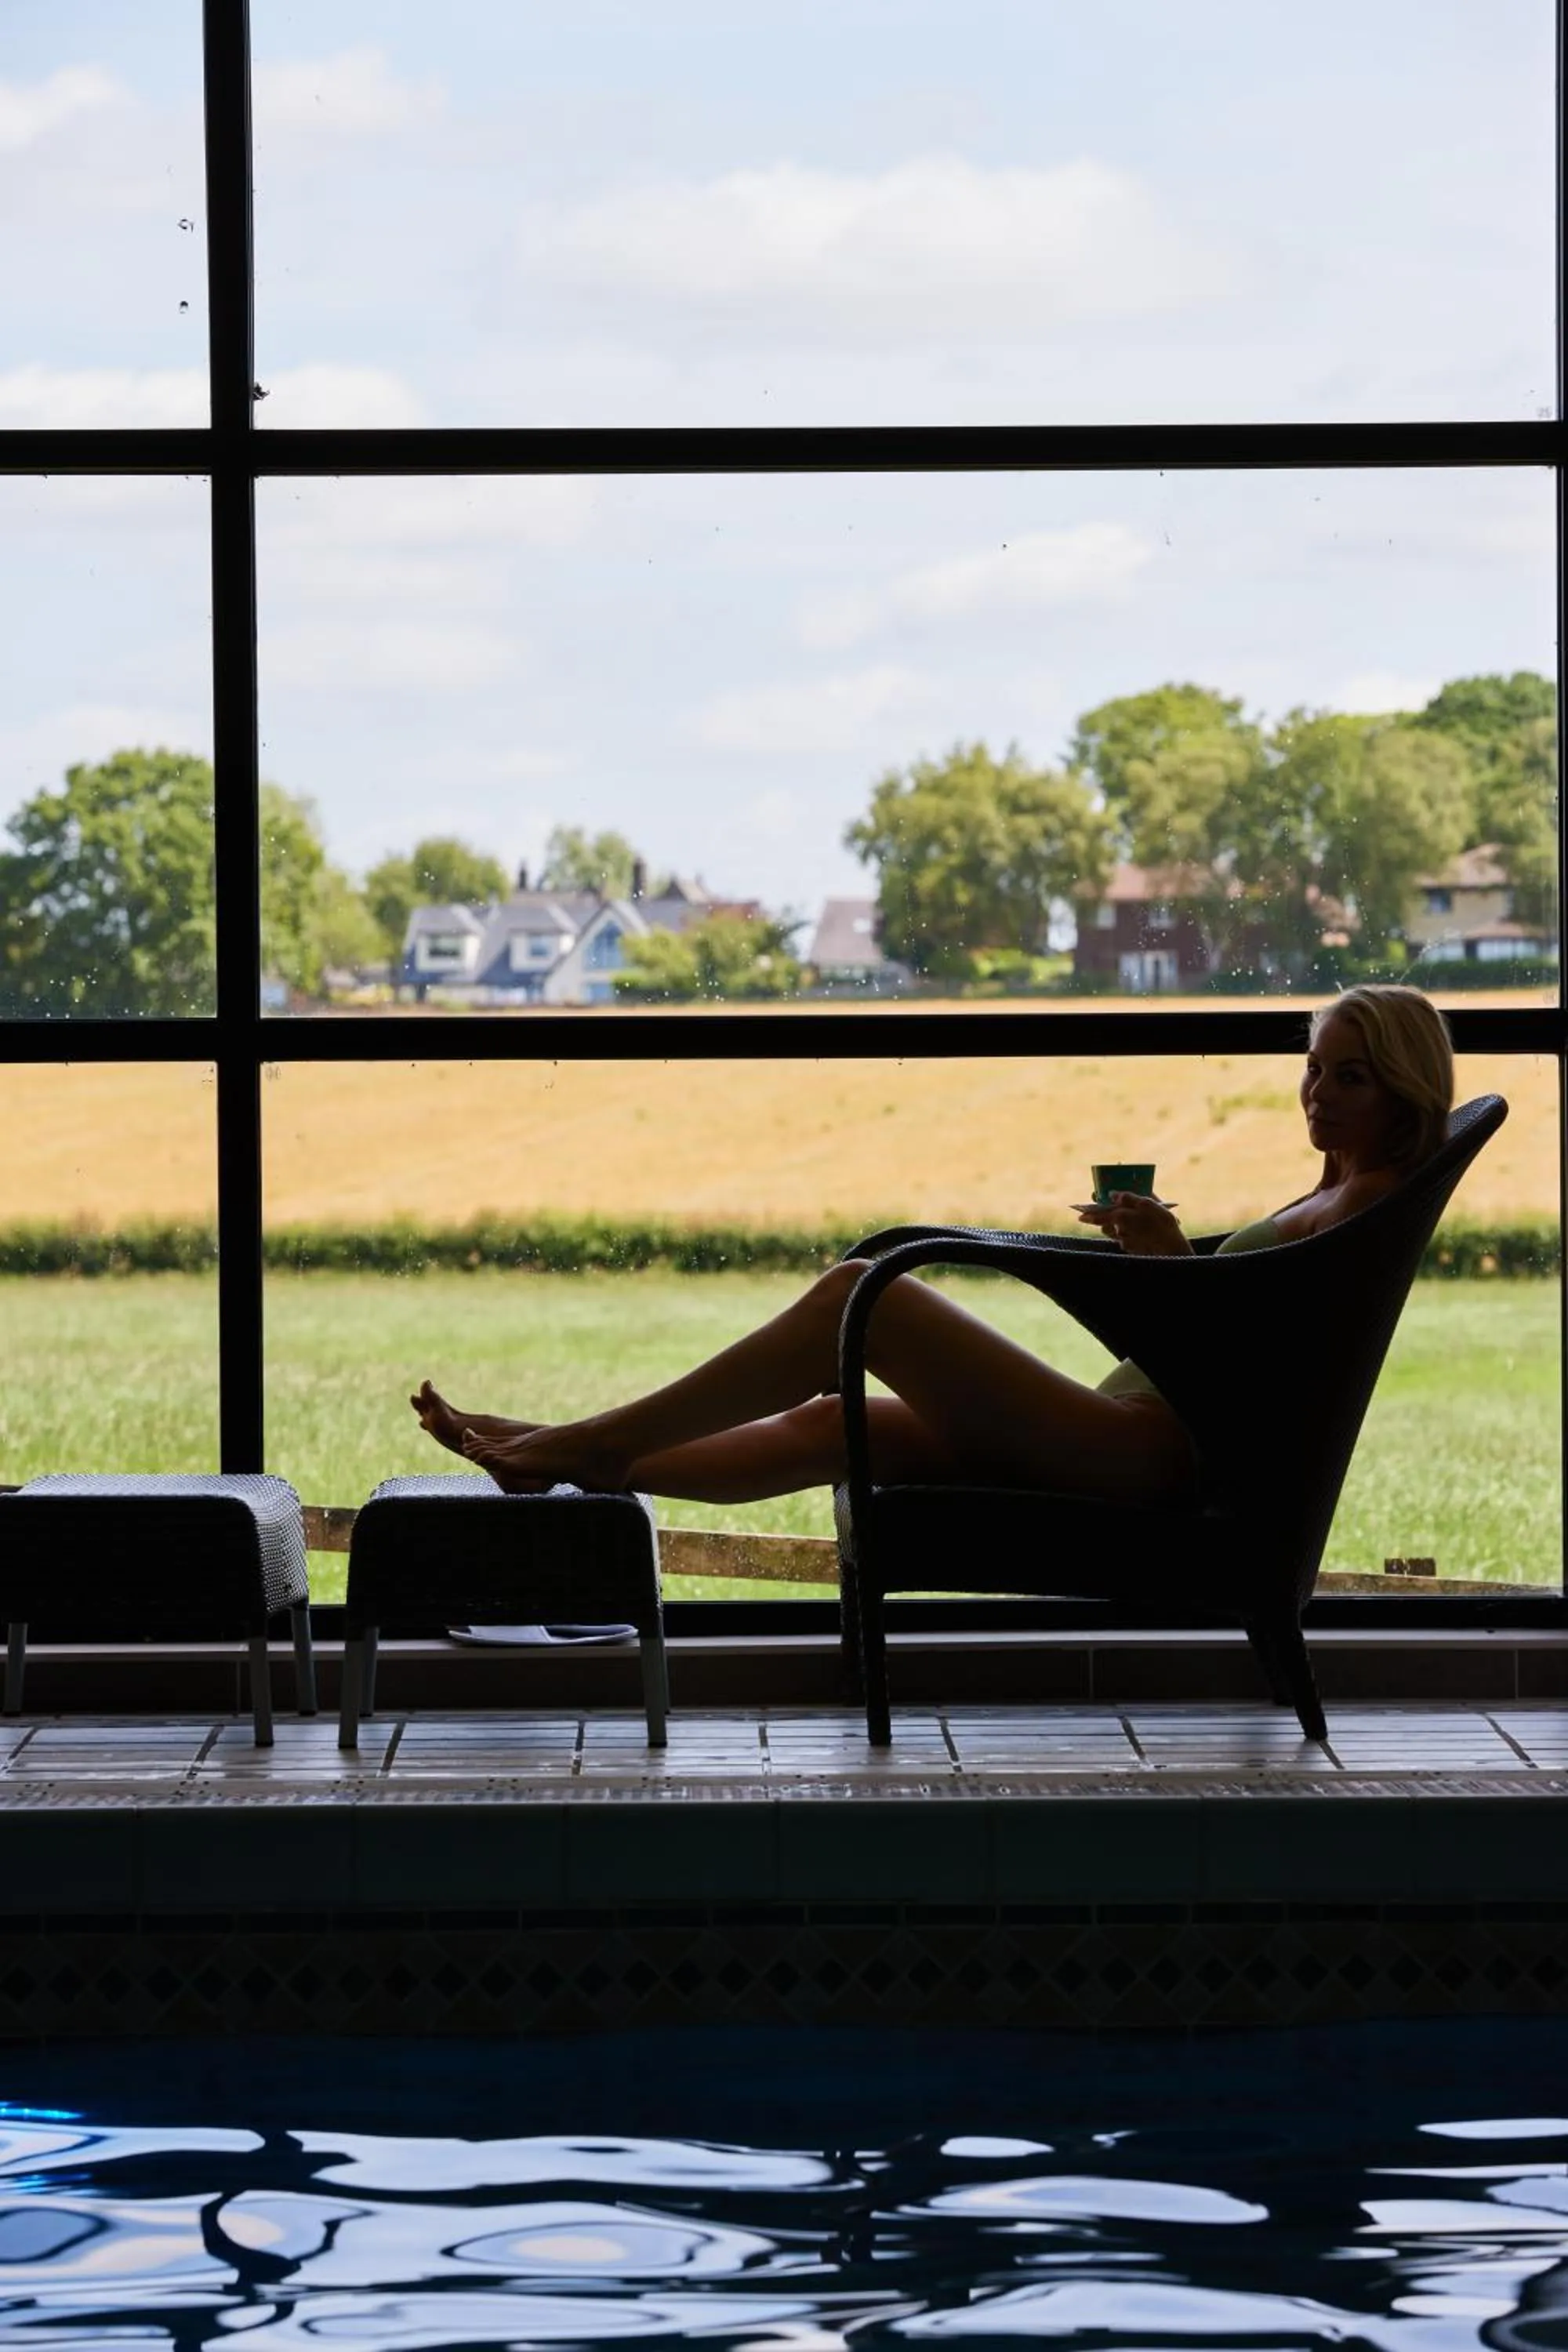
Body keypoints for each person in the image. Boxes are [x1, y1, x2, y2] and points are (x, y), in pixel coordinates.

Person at [410, 983, 1454, 1507]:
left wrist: (1173, 1269)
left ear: (1402, 1086)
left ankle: (582, 1445)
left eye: (1348, 1076)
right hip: (1124, 1428)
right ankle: (569, 1457)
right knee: (833, 1423)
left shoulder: (1364, 1206)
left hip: (1147, 1456)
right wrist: (1161, 1261)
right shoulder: (1334, 1195)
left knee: (872, 1293)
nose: (1317, 1091)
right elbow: (1238, 1331)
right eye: (1314, 1066)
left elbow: (1236, 1359)